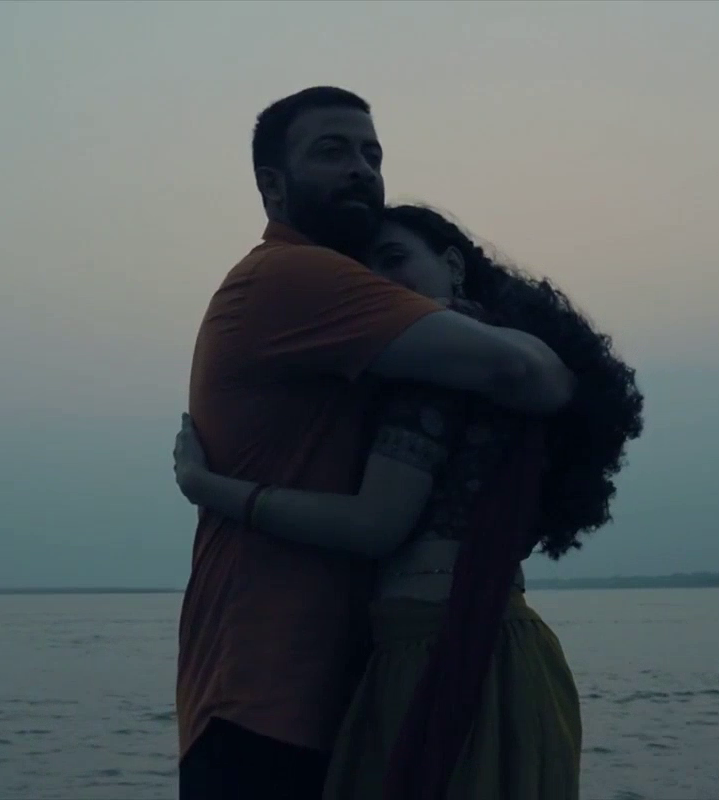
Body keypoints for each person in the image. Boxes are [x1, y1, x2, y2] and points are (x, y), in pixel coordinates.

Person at [176, 88, 579, 800]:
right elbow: (527, 374)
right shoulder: (298, 275)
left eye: (372, 153)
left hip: (324, 688)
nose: (361, 168)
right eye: (332, 151)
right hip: (267, 695)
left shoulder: (349, 310)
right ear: (273, 185)